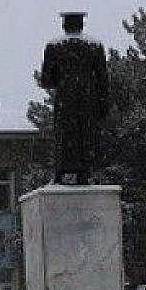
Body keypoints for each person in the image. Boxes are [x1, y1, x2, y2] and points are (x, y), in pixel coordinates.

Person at [37, 11, 110, 185]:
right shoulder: (94, 46)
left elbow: (46, 79)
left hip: (65, 98)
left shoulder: (54, 46)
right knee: (85, 134)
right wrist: (102, 103)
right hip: (88, 99)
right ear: (82, 25)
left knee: (65, 134)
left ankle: (61, 171)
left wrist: (62, 79)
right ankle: (83, 172)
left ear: (64, 26)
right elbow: (103, 78)